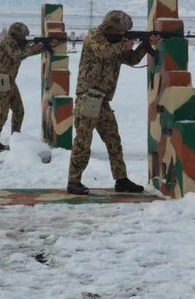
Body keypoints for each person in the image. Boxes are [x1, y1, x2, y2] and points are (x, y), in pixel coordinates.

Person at [66, 10, 160, 195]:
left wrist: (145, 45)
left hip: (102, 101)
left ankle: (121, 180)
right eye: (119, 32)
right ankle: (73, 181)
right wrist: (125, 44)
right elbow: (103, 52)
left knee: (113, 140)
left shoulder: (116, 43)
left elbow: (131, 59)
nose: (121, 35)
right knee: (83, 141)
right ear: (110, 27)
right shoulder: (96, 36)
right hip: (89, 97)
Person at [0, 22, 56, 150]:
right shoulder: (8, 41)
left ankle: (16, 140)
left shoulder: (15, 43)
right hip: (2, 81)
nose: (24, 39)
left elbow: (23, 51)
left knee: (19, 111)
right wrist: (38, 47)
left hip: (10, 81)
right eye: (23, 36)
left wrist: (42, 46)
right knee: (2, 113)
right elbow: (18, 55)